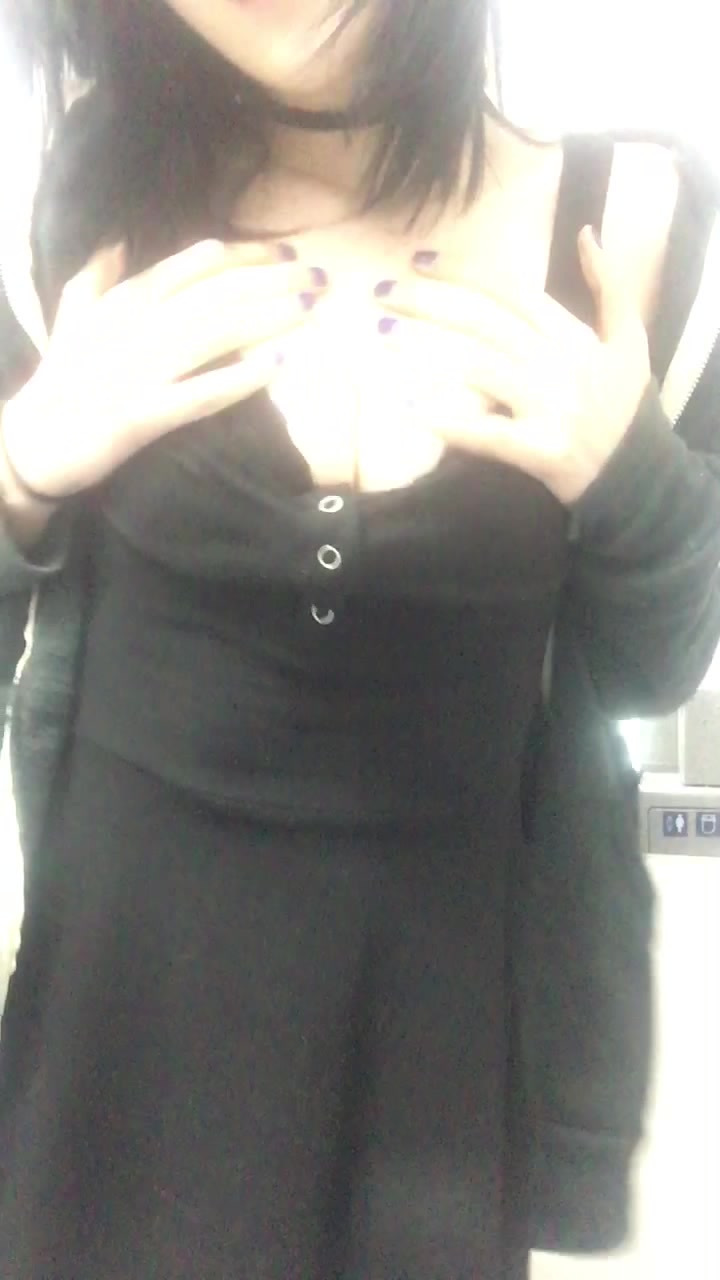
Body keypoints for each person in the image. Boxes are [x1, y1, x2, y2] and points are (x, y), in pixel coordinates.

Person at [1, 1, 720, 1276]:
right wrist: (19, 473)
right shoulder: (64, 193)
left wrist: (636, 483)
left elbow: (653, 664)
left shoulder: (642, 219)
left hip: (434, 1069)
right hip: (110, 1043)